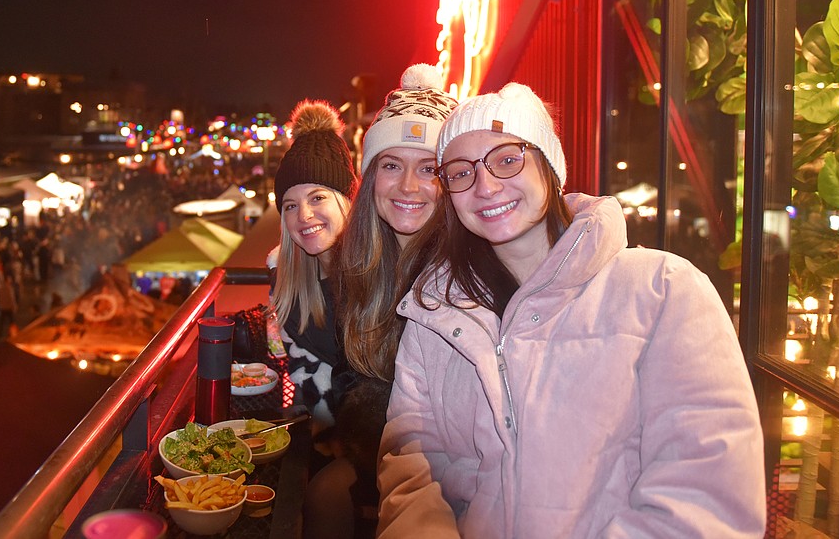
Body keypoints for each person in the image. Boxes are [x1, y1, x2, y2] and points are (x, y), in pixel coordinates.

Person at [376, 83, 766, 538]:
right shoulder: (433, 314)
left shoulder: (662, 290)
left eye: (507, 159)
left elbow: (706, 496)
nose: (485, 186)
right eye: (461, 172)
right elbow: (410, 463)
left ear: (550, 167)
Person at [306, 64, 457, 539]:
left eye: (428, 168)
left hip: (455, 467)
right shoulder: (360, 265)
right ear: (371, 177)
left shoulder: (468, 275)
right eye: (391, 165)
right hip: (382, 452)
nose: (408, 186)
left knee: (326, 494)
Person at [270, 99, 358, 428]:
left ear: (346, 200)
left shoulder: (379, 279)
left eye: (318, 197)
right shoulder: (289, 283)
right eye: (290, 205)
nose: (303, 215)